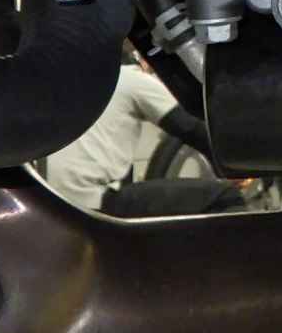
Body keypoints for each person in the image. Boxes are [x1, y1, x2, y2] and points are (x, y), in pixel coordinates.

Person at [42, 48, 213, 212]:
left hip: (49, 200)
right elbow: (193, 129)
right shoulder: (130, 78)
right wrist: (227, 164)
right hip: (93, 199)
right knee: (221, 195)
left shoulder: (70, 84)